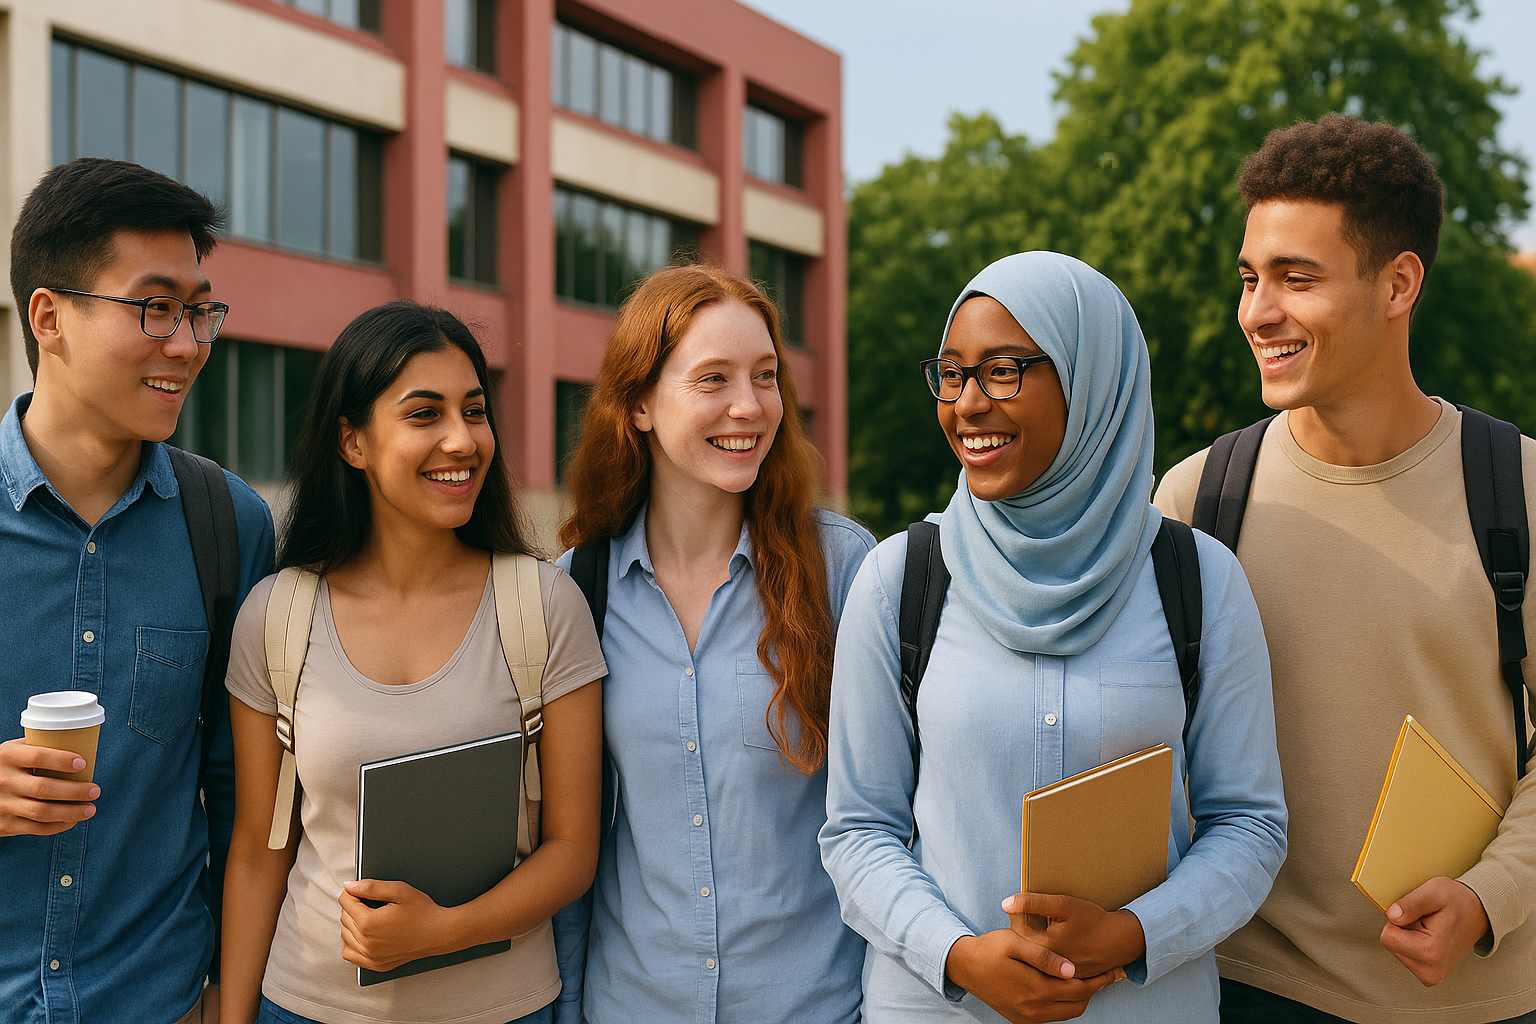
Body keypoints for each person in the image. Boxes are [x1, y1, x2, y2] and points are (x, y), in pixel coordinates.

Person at [821, 251, 1287, 1023]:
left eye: (1004, 371)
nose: (968, 403)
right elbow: (858, 831)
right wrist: (957, 955)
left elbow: (1249, 824)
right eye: (951, 374)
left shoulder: (1200, 580)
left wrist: (1137, 934)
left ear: (1092, 379)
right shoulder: (899, 580)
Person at [1154, 114, 1536, 1024]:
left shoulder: (1519, 489)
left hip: (1482, 1000)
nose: (1258, 312)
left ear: (1398, 283)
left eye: (1297, 279)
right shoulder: (1200, 497)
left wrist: (1489, 894)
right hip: (1254, 989)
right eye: (1250, 278)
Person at [218, 301, 606, 1024]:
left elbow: (573, 848)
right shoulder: (277, 615)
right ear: (352, 442)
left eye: (475, 411)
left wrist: (443, 932)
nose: (462, 440)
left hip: (504, 1010)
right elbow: (257, 851)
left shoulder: (545, 605)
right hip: (304, 1006)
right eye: (425, 414)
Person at [550, 264, 875, 1023]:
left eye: (765, 375)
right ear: (638, 404)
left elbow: (891, 820)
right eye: (713, 378)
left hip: (815, 1009)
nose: (750, 406)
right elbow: (568, 846)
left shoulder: (845, 568)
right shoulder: (576, 589)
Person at [0, 158, 275, 1024]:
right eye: (154, 307)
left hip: (158, 1001)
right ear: (49, 317)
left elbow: (243, 799)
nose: (187, 344)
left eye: (199, 311)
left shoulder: (229, 524)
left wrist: (231, 998)